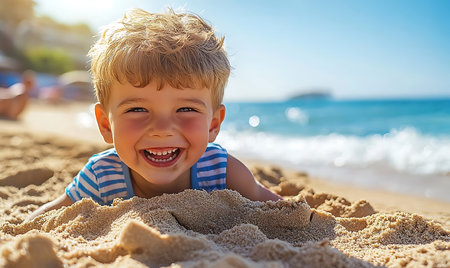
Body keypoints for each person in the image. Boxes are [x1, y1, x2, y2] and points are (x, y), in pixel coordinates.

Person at [28, 8, 281, 220]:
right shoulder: (101, 176)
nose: (162, 128)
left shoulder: (223, 172)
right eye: (137, 109)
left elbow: (288, 211)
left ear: (213, 124)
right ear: (106, 124)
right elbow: (40, 220)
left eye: (186, 109)